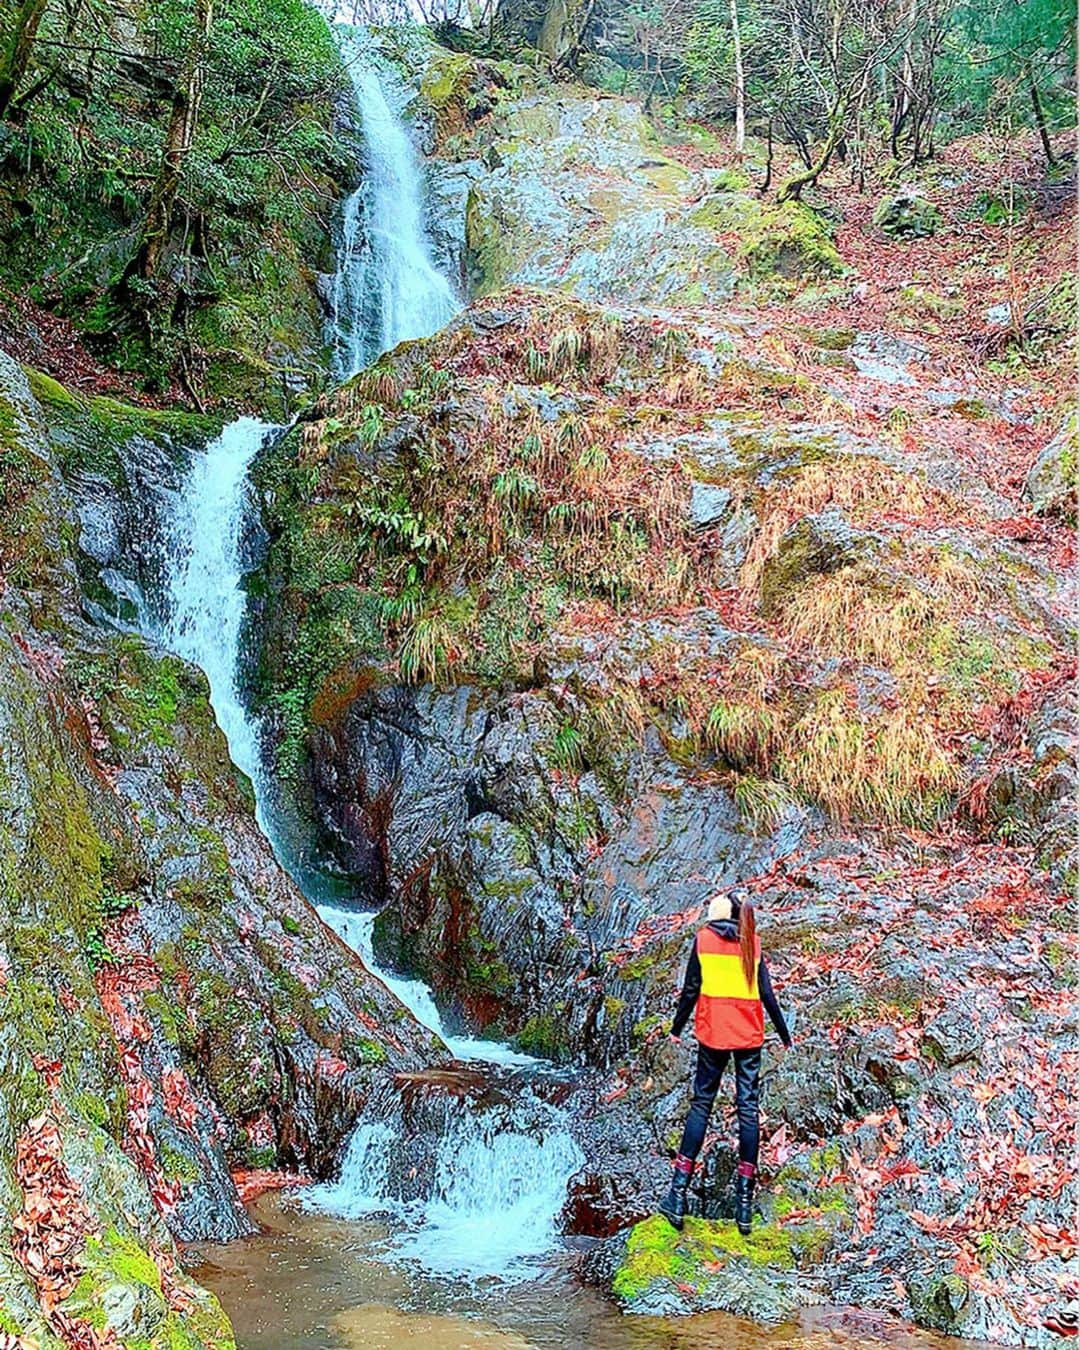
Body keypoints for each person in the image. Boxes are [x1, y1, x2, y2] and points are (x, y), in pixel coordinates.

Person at [658, 887, 792, 1236]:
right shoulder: (753, 943)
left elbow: (691, 989)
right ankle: (744, 1207)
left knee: (701, 1105)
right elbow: (766, 994)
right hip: (748, 1035)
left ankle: (677, 1195)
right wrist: (785, 1033)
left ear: (716, 918)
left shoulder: (703, 940)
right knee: (748, 1108)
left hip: (714, 1032)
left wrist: (676, 1028)